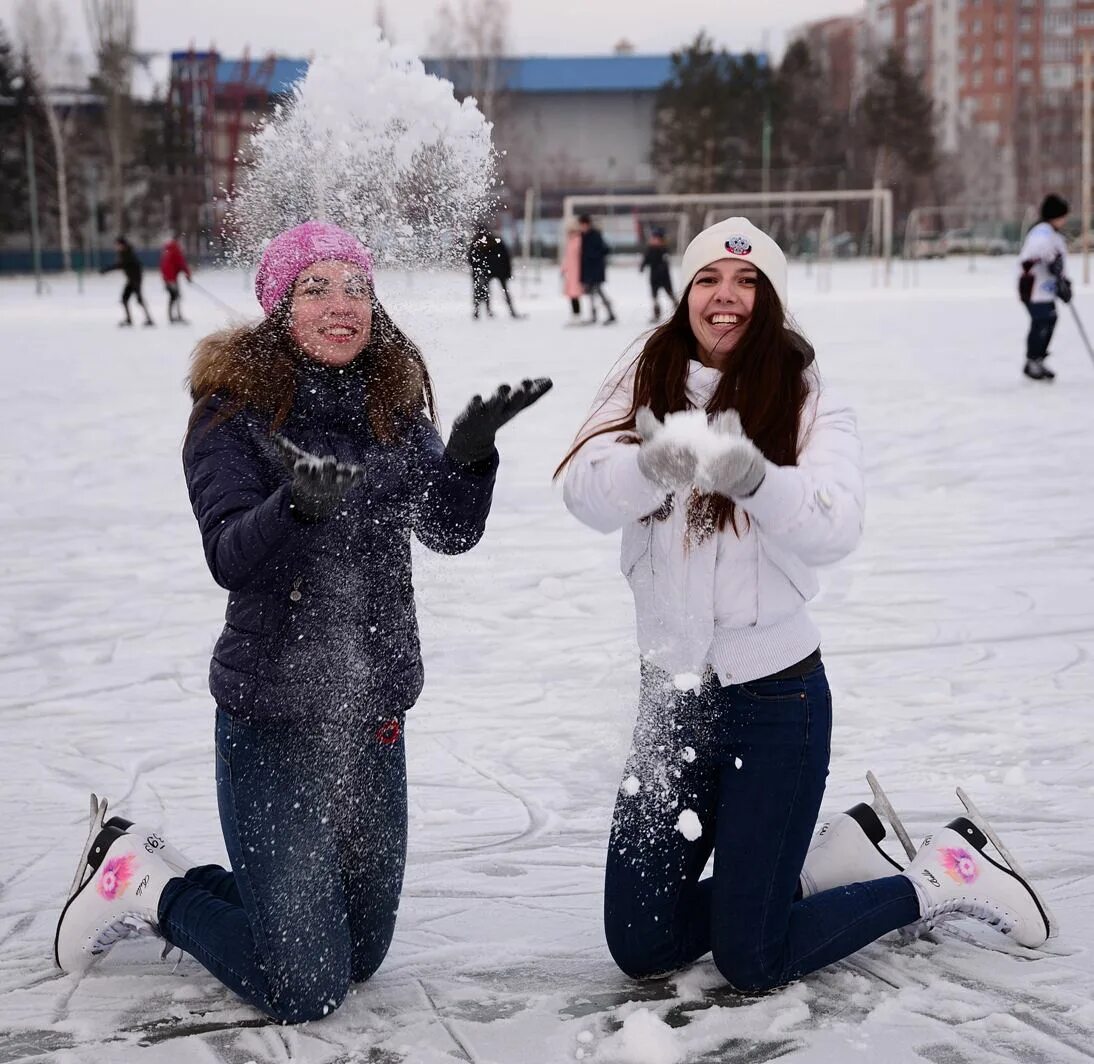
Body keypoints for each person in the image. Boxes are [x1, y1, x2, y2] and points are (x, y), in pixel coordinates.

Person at [54, 221, 553, 1023]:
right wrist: (295, 508)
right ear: (279, 304)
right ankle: (152, 885)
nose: (341, 305)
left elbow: (450, 531)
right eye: (316, 288)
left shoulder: (390, 404)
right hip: (274, 718)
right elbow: (229, 553)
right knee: (305, 985)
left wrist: (469, 462)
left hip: (371, 712)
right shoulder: (233, 413)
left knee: (361, 954)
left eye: (355, 287)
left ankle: (179, 879)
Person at [558, 216, 1054, 994]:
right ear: (686, 291)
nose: (727, 297)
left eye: (749, 282)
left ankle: (942, 879)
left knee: (750, 959)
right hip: (672, 702)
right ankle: (826, 866)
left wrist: (754, 477)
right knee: (642, 942)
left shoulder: (810, 397)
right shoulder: (641, 382)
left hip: (775, 701)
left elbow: (835, 525)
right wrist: (653, 463)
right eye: (711, 280)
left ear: (774, 298)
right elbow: (583, 494)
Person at [1017, 193, 1072, 382]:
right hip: (1033, 287)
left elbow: (1059, 261)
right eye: (1063, 215)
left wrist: (1064, 283)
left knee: (1050, 319)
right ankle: (1032, 360)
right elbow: (1036, 251)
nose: (1065, 219)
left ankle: (1038, 359)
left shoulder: (1054, 234)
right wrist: (1051, 261)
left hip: (1046, 288)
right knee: (1042, 321)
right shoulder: (1042, 231)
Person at [468, 225, 521, 319]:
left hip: (485, 271)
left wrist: (477, 271)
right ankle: (510, 311)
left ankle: (479, 312)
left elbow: (471, 259)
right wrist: (508, 271)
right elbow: (506, 257)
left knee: (481, 292)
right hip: (500, 271)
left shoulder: (476, 243)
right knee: (503, 291)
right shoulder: (496, 241)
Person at [100, 235, 154, 327]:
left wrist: (106, 270)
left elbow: (120, 265)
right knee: (125, 299)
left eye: (117, 245)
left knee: (138, 299)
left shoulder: (127, 253)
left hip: (135, 280)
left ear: (122, 245)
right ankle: (130, 319)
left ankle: (148, 319)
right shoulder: (125, 252)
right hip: (132, 279)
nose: (116, 247)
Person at [578, 213, 616, 325]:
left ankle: (610, 314)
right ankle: (594, 316)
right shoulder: (582, 236)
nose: (582, 227)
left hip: (596, 269)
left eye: (584, 225)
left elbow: (605, 250)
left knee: (598, 292)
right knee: (591, 293)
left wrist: (593, 256)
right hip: (588, 270)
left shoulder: (595, 235)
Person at [639, 226, 675, 323]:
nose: (654, 240)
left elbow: (666, 261)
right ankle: (656, 314)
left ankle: (679, 310)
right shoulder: (650, 249)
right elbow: (646, 259)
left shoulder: (664, 250)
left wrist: (662, 267)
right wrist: (642, 266)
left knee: (670, 294)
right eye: (653, 238)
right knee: (654, 297)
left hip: (664, 277)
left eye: (656, 239)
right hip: (654, 277)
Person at [160, 233, 193, 324]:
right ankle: (177, 316)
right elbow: (181, 263)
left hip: (168, 278)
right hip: (172, 279)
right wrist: (188, 275)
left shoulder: (167, 249)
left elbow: (165, 265)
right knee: (176, 296)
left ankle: (172, 316)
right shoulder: (175, 249)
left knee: (173, 296)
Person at [561, 224, 584, 324]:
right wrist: (563, 269)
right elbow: (567, 258)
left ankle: (577, 315)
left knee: (575, 294)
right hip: (570, 273)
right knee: (572, 295)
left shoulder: (578, 241)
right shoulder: (570, 242)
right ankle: (574, 314)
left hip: (577, 272)